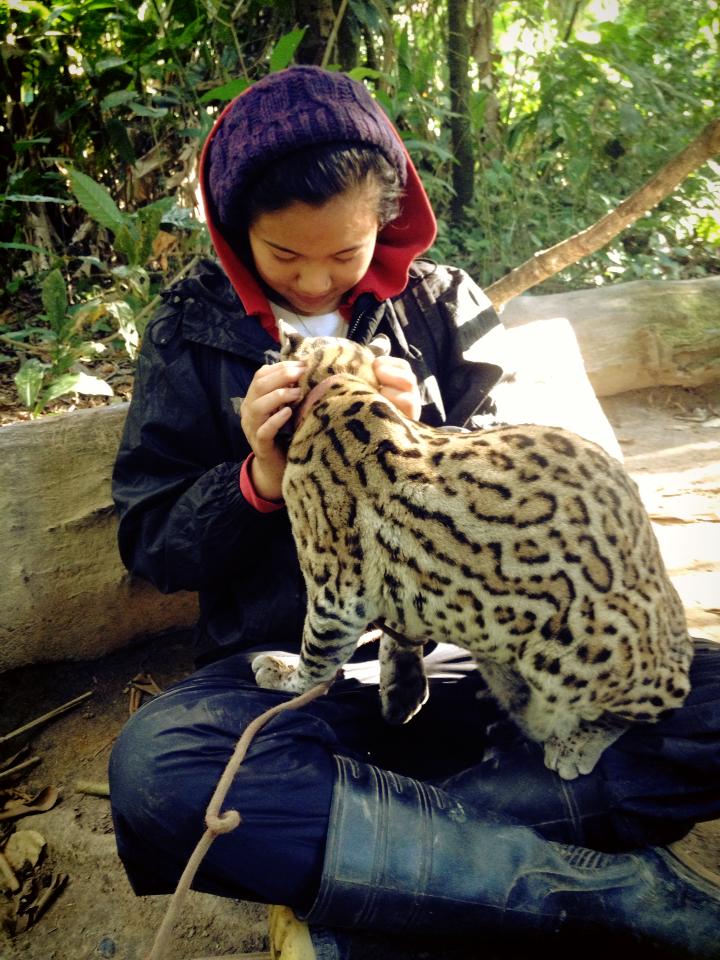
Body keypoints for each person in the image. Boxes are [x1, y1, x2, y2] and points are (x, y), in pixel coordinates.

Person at [109, 66, 720, 958]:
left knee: (705, 697)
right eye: (286, 256)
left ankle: (399, 867)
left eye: (347, 253)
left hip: (478, 657)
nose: (318, 281)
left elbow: (538, 493)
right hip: (298, 678)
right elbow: (150, 544)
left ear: (386, 225)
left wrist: (427, 440)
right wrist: (258, 477)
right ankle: (599, 888)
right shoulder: (187, 335)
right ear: (236, 228)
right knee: (158, 770)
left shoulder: (442, 303)